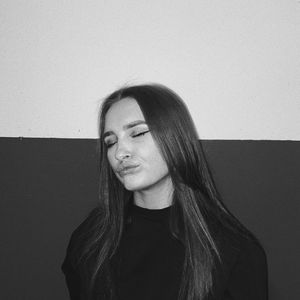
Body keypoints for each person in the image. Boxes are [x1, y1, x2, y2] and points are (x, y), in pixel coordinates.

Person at [62, 83, 268, 300]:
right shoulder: (91, 239)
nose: (120, 152)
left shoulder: (233, 248)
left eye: (138, 133)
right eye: (111, 142)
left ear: (175, 138)